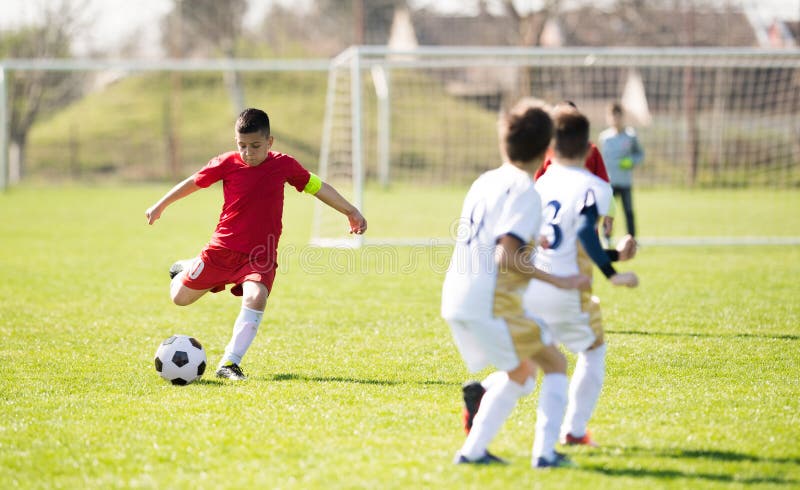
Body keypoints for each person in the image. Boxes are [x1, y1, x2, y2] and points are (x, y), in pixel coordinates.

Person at [145, 108, 366, 380]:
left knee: (256, 295)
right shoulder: (227, 163)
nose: (248, 152)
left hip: (260, 255)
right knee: (180, 299)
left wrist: (350, 210)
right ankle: (187, 267)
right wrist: (161, 205)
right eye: (242, 146)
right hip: (221, 250)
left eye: (255, 146)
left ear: (270, 142)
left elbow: (318, 187)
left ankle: (230, 363)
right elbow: (194, 182)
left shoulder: (284, 165)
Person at [441, 98, 590, 468]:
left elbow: (495, 238)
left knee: (523, 373)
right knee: (554, 362)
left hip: (457, 294)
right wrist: (560, 280)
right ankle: (546, 454)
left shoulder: (485, 181)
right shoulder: (526, 190)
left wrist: (529, 241)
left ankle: (473, 452)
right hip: (490, 300)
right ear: (548, 149)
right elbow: (506, 255)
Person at [523, 107, 638, 449]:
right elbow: (586, 233)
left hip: (531, 285)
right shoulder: (597, 187)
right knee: (592, 350)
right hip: (568, 290)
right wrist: (612, 271)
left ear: (549, 149)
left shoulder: (539, 183)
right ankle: (573, 429)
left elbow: (555, 238)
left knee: (529, 362)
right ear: (589, 149)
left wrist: (616, 254)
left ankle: (483, 396)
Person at [598, 102, 644, 240]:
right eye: (612, 116)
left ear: (622, 117)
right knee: (608, 212)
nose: (615, 120)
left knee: (628, 212)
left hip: (625, 182)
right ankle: (607, 238)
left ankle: (632, 240)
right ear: (608, 118)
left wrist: (632, 161)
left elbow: (640, 154)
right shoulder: (604, 138)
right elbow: (600, 160)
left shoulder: (630, 136)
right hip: (610, 182)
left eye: (618, 116)